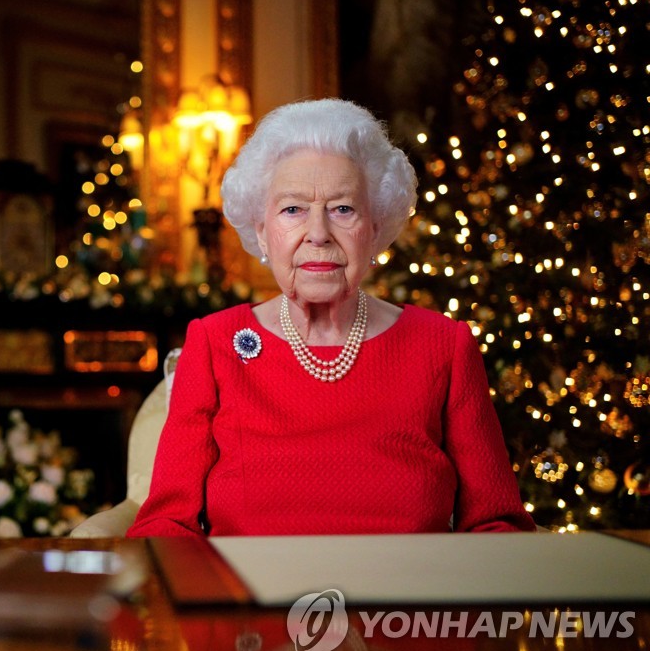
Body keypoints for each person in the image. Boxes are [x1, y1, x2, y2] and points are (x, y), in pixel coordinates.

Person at [128, 98, 536, 537]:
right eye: (292, 210)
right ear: (262, 230)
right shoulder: (214, 342)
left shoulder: (442, 345)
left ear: (375, 228)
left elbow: (497, 524)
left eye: (343, 209)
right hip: (249, 600)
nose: (319, 234)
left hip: (404, 602)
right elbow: (166, 525)